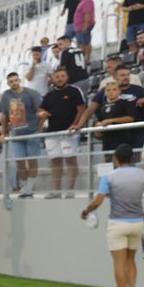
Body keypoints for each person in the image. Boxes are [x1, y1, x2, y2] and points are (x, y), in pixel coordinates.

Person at [80, 144, 144, 287]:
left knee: (119, 263)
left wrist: (86, 211)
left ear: (115, 159)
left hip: (117, 224)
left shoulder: (109, 177)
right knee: (131, 260)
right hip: (137, 223)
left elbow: (98, 201)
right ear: (132, 158)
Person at [38, 66, 89, 197]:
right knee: (55, 162)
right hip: (51, 133)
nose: (59, 79)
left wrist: (75, 125)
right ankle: (57, 191)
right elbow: (40, 110)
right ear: (52, 79)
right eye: (57, 77)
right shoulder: (49, 95)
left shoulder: (74, 91)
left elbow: (82, 109)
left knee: (71, 160)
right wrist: (42, 113)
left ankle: (70, 190)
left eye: (62, 76)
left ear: (67, 77)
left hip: (69, 132)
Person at [0, 71, 44, 195]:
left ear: (19, 80)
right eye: (11, 81)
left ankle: (30, 186)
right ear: (8, 83)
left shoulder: (31, 93)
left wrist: (39, 129)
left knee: (32, 161)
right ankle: (24, 186)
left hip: (31, 131)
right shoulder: (6, 95)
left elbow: (41, 111)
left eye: (15, 80)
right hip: (16, 134)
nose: (14, 83)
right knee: (19, 162)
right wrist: (3, 133)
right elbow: (4, 115)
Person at [90, 78, 139, 154]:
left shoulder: (126, 103)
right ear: (105, 92)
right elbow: (99, 120)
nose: (111, 92)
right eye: (108, 90)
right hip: (107, 142)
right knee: (108, 163)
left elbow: (130, 118)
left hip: (122, 140)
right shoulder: (103, 106)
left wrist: (111, 120)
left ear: (119, 91)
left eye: (114, 89)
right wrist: (97, 128)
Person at [74, 0, 96, 64]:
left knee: (86, 43)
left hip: (83, 26)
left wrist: (85, 27)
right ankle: (83, 59)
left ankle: (87, 59)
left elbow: (87, 14)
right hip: (79, 27)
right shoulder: (83, 0)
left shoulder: (87, 0)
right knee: (82, 44)